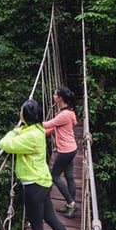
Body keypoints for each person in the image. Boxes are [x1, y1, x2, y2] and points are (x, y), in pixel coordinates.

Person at [0, 98, 81, 230]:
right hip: (42, 183)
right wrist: (20, 129)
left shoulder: (30, 136)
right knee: (51, 218)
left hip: (34, 186)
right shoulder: (36, 129)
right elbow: (24, 130)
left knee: (36, 224)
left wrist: (13, 132)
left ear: (25, 115)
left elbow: (4, 144)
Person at [42, 86, 79, 218]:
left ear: (60, 98)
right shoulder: (69, 111)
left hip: (65, 151)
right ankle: (70, 205)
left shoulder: (63, 114)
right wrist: (43, 134)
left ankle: (71, 203)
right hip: (71, 149)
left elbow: (47, 124)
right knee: (69, 176)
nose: (53, 96)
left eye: (55, 94)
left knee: (55, 177)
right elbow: (54, 128)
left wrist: (29, 121)